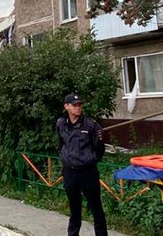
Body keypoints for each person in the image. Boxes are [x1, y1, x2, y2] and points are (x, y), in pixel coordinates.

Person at [56, 93, 107, 236]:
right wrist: (66, 159)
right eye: (75, 105)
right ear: (67, 106)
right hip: (70, 172)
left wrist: (88, 160)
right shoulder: (61, 123)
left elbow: (99, 149)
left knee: (96, 209)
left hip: (88, 173)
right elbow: (60, 144)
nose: (78, 108)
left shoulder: (91, 125)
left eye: (80, 105)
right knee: (74, 209)